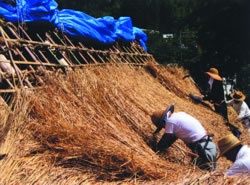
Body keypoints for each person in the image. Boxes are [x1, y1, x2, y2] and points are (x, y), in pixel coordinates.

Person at [151, 104, 218, 171]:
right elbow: (172, 138)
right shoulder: (180, 114)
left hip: (200, 147)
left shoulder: (170, 122)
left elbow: (165, 139)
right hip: (206, 141)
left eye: (163, 127)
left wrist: (156, 149)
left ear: (162, 122)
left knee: (201, 169)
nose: (164, 128)